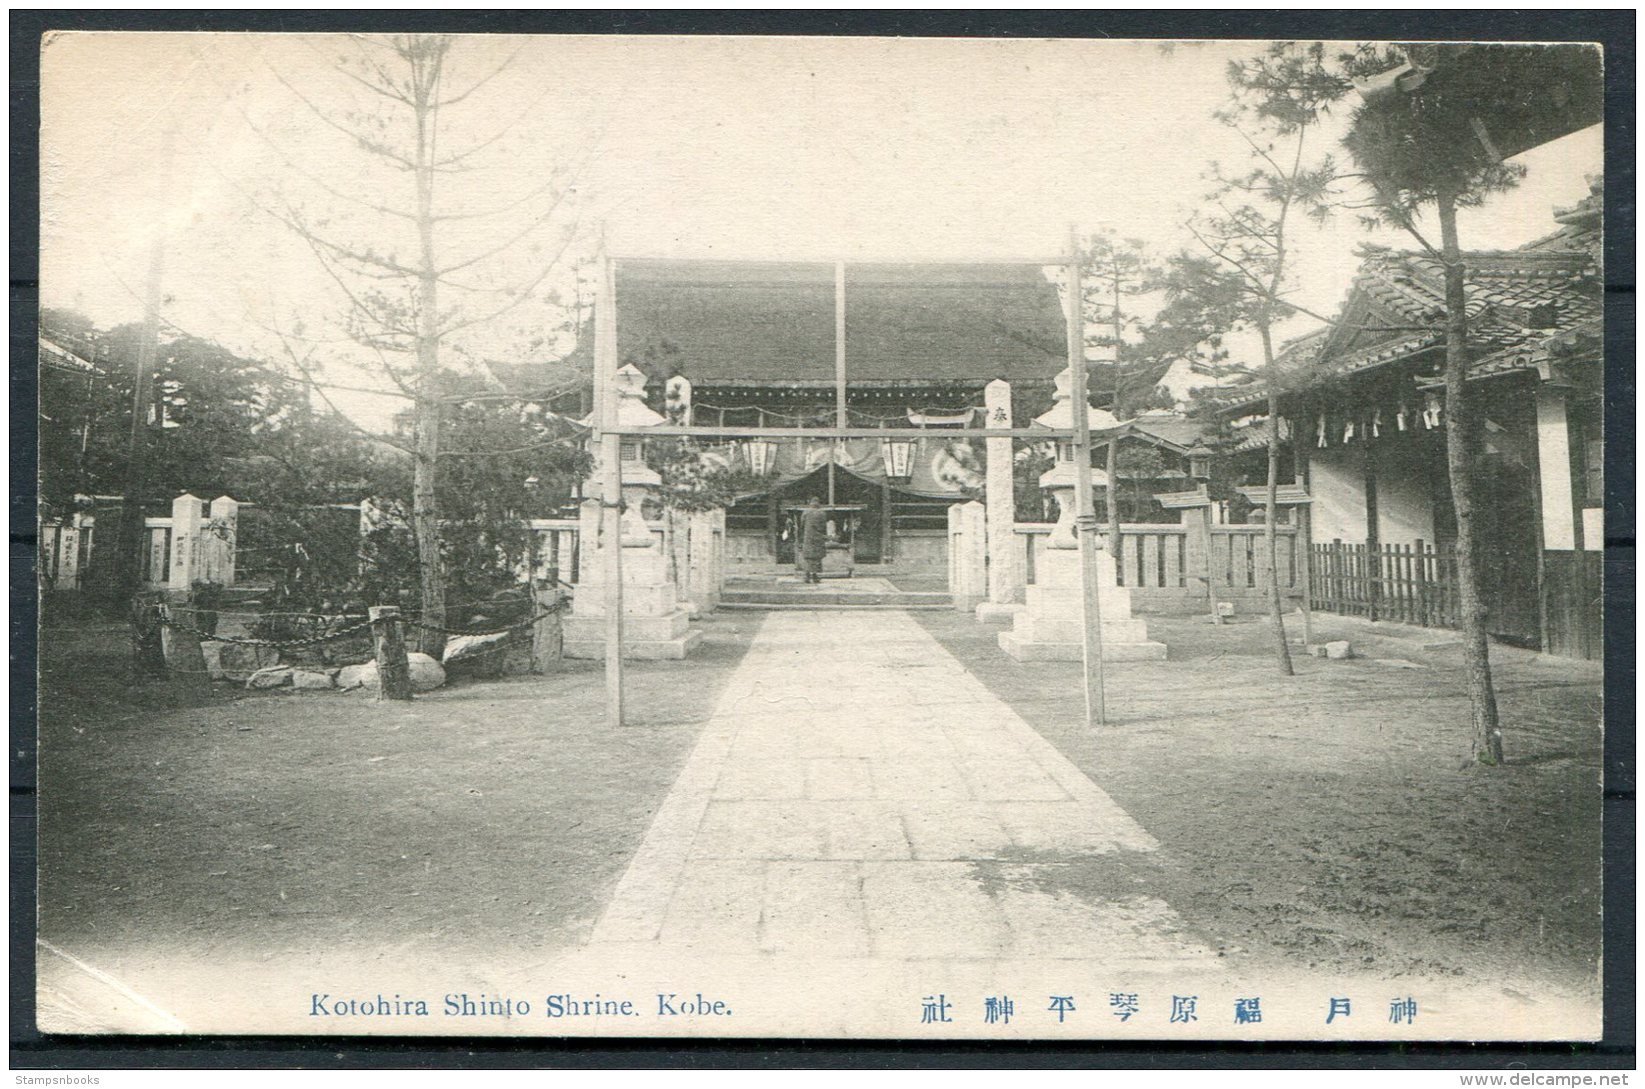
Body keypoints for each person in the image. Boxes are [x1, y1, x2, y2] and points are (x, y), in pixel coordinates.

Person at [799, 497, 828, 584]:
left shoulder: (805, 512)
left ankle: (807, 576)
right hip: (818, 538)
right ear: (818, 503)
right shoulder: (822, 513)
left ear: (810, 503)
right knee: (817, 558)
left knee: (808, 558)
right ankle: (815, 576)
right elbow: (823, 527)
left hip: (808, 538)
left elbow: (802, 525)